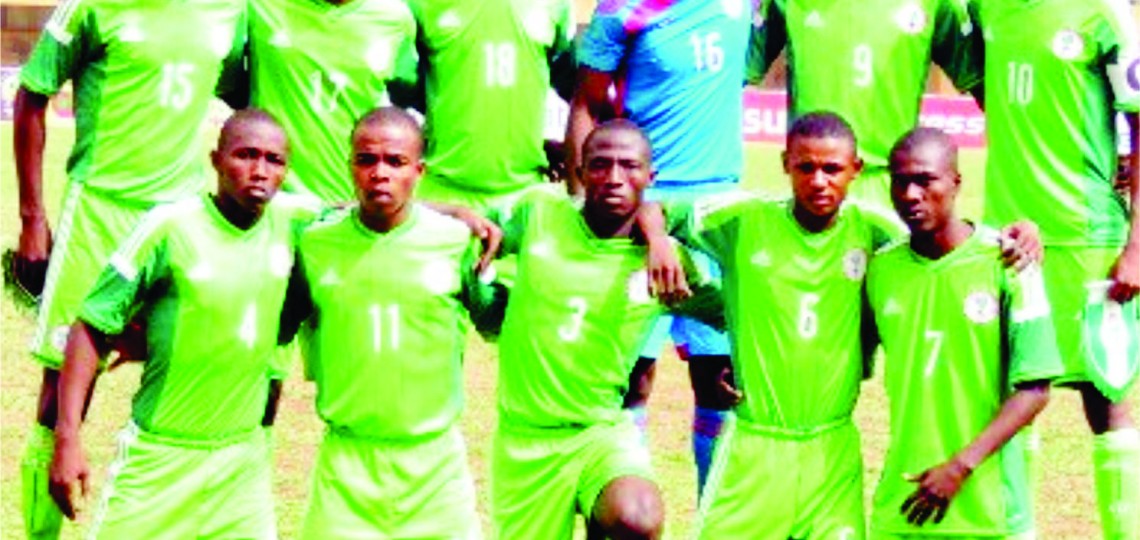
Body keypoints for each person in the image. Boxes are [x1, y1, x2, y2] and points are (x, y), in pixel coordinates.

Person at [11, 1, 245, 536]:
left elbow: (251, 94)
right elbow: (31, 96)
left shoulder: (231, 13)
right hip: (99, 213)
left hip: (183, 222)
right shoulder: (91, 7)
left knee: (188, 382)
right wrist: (32, 219)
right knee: (61, 398)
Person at [48, 110, 300, 539]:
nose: (260, 170)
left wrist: (438, 212)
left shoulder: (295, 222)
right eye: (245, 155)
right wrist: (67, 438)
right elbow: (90, 325)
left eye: (274, 160)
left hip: (242, 467)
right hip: (160, 459)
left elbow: (363, 213)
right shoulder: (168, 227)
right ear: (216, 160)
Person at [664, 112, 902, 540]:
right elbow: (654, 210)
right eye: (805, 167)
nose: (818, 181)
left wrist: (1018, 235)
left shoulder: (875, 230)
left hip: (832, 451)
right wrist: (659, 241)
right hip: (755, 444)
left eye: (832, 169)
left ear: (856, 169)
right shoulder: (743, 219)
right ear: (785, 164)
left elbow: (944, 245)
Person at [487, 119, 721, 539]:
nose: (614, 177)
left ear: (650, 177)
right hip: (525, 441)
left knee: (638, 515)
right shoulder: (539, 211)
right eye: (600, 165)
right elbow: (470, 230)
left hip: (600, 433)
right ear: (579, 171)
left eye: (629, 166)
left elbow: (738, 315)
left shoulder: (665, 265)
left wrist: (743, 368)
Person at [279, 107, 495, 539]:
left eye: (395, 162)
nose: (380, 173)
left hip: (434, 468)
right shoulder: (315, 241)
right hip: (346, 467)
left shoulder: (455, 242)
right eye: (366, 160)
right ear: (350, 166)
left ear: (419, 171)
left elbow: (496, 322)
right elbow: (278, 325)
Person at [567, 0, 752, 491]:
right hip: (636, 210)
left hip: (715, 214)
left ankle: (713, 517)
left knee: (720, 379)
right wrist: (584, 207)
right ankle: (628, 505)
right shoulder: (620, 9)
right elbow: (585, 105)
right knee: (630, 377)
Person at [974, 2, 1140, 537]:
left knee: (1107, 400)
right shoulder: (986, 7)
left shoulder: (1105, 14)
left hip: (1088, 241)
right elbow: (989, 86)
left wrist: (1137, 245)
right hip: (1007, 242)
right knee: (1009, 401)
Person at [868, 127, 1063, 538]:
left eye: (925, 180)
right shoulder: (880, 269)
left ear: (956, 182)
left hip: (990, 512)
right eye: (900, 181)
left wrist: (959, 467)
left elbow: (1035, 391)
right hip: (901, 505)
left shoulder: (1011, 262)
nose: (911, 194)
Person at [747, 0, 984, 207]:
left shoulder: (937, 4)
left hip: (893, 187)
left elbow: (984, 86)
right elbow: (736, 73)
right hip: (815, 182)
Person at [407, 0, 576, 211]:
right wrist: (446, 120)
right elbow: (401, 82)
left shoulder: (556, 5)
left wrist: (528, 139)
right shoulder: (419, 5)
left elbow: (572, 83)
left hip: (526, 192)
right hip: (442, 189)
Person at [248, 0, 419, 204]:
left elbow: (404, 96)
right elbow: (228, 81)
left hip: (350, 202)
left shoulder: (394, 18)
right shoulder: (259, 6)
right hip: (271, 198)